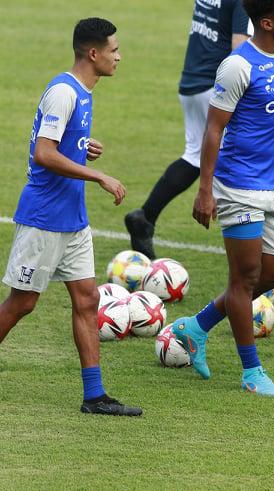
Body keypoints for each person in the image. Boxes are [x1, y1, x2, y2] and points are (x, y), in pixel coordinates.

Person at [0, 18, 141, 416]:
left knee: (87, 299)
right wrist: (98, 175)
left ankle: (94, 396)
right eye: (114, 50)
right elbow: (44, 153)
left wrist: (80, 145)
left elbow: (57, 144)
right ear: (93, 53)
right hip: (45, 218)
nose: (119, 57)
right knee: (23, 303)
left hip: (73, 219)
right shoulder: (64, 92)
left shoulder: (82, 92)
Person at [171, 0, 274, 395]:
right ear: (266, 23)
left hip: (273, 187)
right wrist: (205, 190)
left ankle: (196, 327)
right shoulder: (237, 66)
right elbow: (213, 130)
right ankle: (252, 373)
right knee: (245, 279)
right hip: (237, 187)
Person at [124, 0, 252, 260]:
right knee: (239, 158)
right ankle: (253, 242)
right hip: (216, 87)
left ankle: (145, 217)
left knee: (195, 156)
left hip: (192, 81)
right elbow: (240, 48)